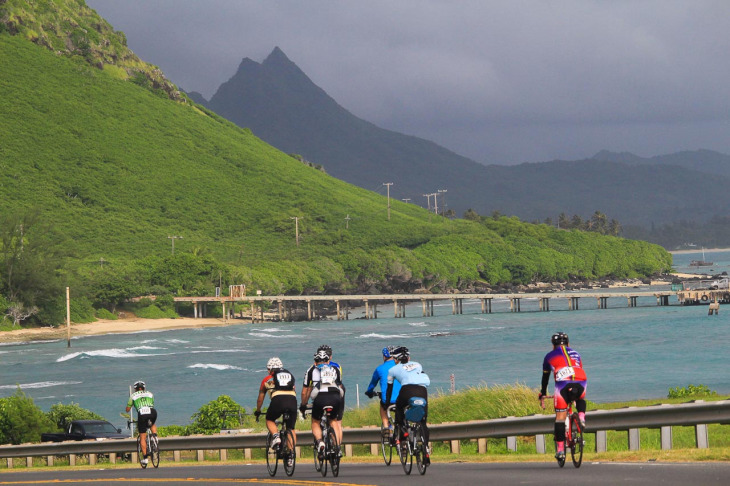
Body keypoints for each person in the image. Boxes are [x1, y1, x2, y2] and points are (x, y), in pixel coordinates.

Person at [538, 331, 588, 461]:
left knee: (560, 418)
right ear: (568, 343)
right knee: (580, 397)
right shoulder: (577, 353)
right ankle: (582, 417)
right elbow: (578, 368)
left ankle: (560, 450)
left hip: (563, 383)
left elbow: (545, 378)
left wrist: (543, 392)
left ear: (553, 345)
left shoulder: (549, 356)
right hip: (581, 379)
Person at [386, 346, 430, 465]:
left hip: (407, 390)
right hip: (422, 390)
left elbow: (389, 389)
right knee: (423, 421)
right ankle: (426, 449)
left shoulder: (393, 370)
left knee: (399, 409)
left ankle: (404, 429)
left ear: (396, 359)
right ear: (409, 357)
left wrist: (387, 403)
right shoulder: (418, 364)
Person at [300, 349, 344, 456]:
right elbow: (340, 386)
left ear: (315, 362)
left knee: (315, 422)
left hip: (320, 398)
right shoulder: (335, 369)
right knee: (334, 422)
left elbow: (305, 392)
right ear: (328, 361)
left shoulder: (310, 370)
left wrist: (303, 405)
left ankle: (320, 442)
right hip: (335, 397)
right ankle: (337, 448)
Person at [254, 357, 298, 451]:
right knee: (291, 428)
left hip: (277, 401)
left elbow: (260, 398)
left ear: (269, 370)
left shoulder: (266, 380)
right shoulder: (288, 377)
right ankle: (291, 454)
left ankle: (276, 436)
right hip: (292, 401)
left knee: (269, 419)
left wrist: (258, 411)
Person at [365, 346, 400, 434]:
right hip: (401, 399)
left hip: (388, 401)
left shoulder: (379, 369)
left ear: (384, 356)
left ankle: (386, 427)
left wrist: (369, 392)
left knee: (383, 408)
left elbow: (372, 384)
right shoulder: (400, 367)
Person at [126, 381, 157, 465]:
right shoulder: (150, 393)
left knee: (142, 437)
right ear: (144, 387)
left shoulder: (133, 395)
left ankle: (145, 458)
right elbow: (152, 404)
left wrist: (130, 407)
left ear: (135, 389)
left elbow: (128, 409)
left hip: (142, 413)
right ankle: (155, 438)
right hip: (152, 411)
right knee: (152, 423)